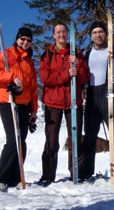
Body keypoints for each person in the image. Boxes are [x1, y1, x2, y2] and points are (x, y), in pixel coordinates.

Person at [38, 22, 90, 187]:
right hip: (53, 102)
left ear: (67, 34)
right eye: (58, 32)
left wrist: (78, 65)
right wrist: (66, 74)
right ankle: (48, 175)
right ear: (53, 35)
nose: (61, 35)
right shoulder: (48, 54)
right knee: (51, 140)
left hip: (73, 102)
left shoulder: (76, 53)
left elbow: (85, 78)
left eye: (63, 32)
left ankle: (77, 172)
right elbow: (46, 79)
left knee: (75, 138)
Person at [79, 21, 114, 183]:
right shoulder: (87, 52)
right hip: (92, 93)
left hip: (109, 92)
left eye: (100, 31)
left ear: (106, 34)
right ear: (91, 36)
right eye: (94, 32)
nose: (98, 35)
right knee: (89, 135)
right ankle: (86, 172)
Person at [0, 27, 38, 192]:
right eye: (22, 39)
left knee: (21, 143)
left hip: (25, 105)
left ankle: (16, 177)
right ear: (17, 39)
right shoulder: (7, 54)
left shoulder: (30, 62)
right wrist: (12, 77)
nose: (25, 42)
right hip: (8, 102)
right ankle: (1, 179)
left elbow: (33, 88)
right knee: (13, 140)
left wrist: (34, 110)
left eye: (29, 40)